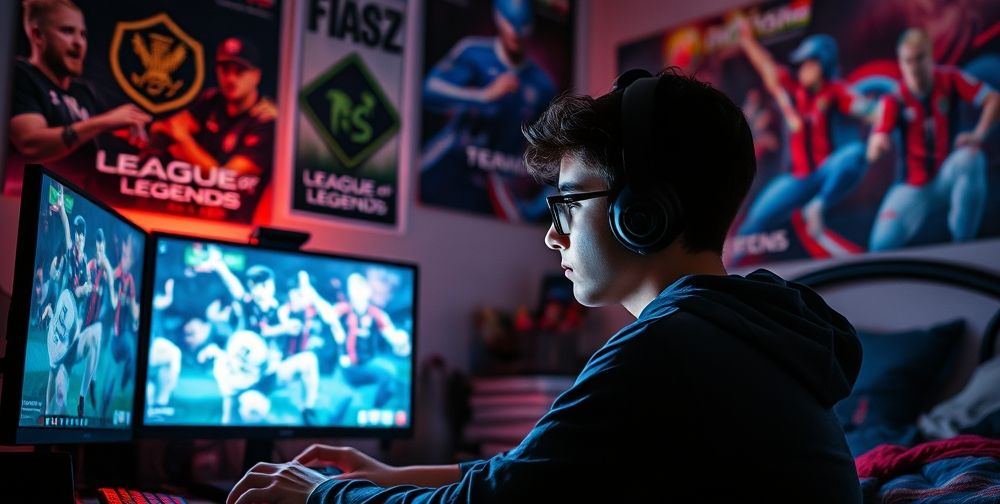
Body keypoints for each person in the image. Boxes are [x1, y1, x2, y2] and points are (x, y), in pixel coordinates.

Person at [227, 69, 864, 502]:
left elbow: (497, 500)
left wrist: (323, 494)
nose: (552, 236)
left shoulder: (669, 348)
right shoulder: (738, 328)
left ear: (640, 215)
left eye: (567, 206)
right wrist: (390, 475)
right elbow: (530, 474)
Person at [734, 22, 874, 259]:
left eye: (809, 63)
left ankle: (817, 207)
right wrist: (747, 41)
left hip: (825, 172)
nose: (803, 69)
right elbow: (766, 66)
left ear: (823, 64)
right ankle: (727, 265)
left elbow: (867, 108)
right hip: (798, 178)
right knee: (753, 221)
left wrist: (881, 116)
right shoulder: (793, 90)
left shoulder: (835, 91)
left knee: (855, 154)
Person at [419, 0, 556, 221]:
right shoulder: (474, 53)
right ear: (498, 19)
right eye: (511, 23)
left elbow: (554, 149)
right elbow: (428, 90)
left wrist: (537, 205)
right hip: (449, 163)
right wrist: (482, 96)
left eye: (524, 25)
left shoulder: (542, 85)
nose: (517, 32)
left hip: (498, 183)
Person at [866, 28, 999, 251]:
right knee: (879, 246)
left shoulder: (950, 78)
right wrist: (876, 146)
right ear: (901, 63)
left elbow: (994, 99)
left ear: (930, 56)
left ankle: (964, 245)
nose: (914, 67)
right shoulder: (894, 98)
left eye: (920, 59)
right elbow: (876, 141)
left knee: (971, 157)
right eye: (908, 61)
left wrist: (978, 135)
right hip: (912, 187)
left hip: (947, 173)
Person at [5, 0, 152, 195]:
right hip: (25, 203)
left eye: (82, 34)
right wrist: (104, 122)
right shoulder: (20, 75)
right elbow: (30, 144)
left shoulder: (82, 92)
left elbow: (113, 126)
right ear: (37, 35)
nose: (78, 42)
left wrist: (126, 128)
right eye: (67, 31)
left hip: (78, 205)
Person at [147, 36, 276, 219]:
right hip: (195, 210)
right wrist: (201, 161)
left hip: (238, 223)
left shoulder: (265, 120)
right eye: (225, 69)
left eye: (239, 71)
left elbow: (225, 179)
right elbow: (165, 128)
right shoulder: (211, 99)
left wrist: (184, 141)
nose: (230, 78)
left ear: (256, 76)